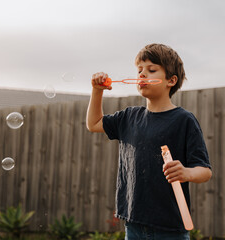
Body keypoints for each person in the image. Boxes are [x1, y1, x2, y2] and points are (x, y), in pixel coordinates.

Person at [86, 43, 212, 240]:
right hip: (133, 226)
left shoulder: (183, 120)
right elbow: (93, 124)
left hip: (170, 230)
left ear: (171, 80)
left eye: (151, 70)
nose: (142, 74)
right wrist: (97, 91)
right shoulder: (129, 117)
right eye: (139, 70)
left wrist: (186, 172)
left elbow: (205, 171)